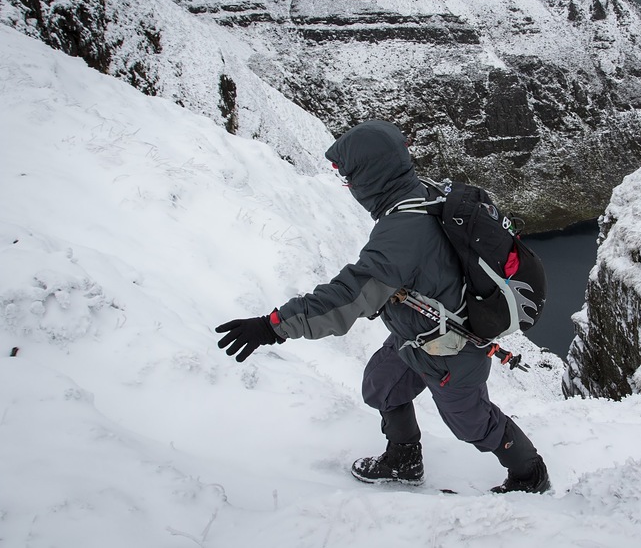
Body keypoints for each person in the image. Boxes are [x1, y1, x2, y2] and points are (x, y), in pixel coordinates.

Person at [215, 120, 550, 494]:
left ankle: (529, 473)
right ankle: (403, 460)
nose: (350, 187)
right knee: (381, 386)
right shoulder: (421, 194)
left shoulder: (402, 233)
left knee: (473, 424)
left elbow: (349, 295)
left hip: (451, 350)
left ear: (371, 174)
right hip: (415, 338)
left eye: (350, 178)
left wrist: (272, 325)